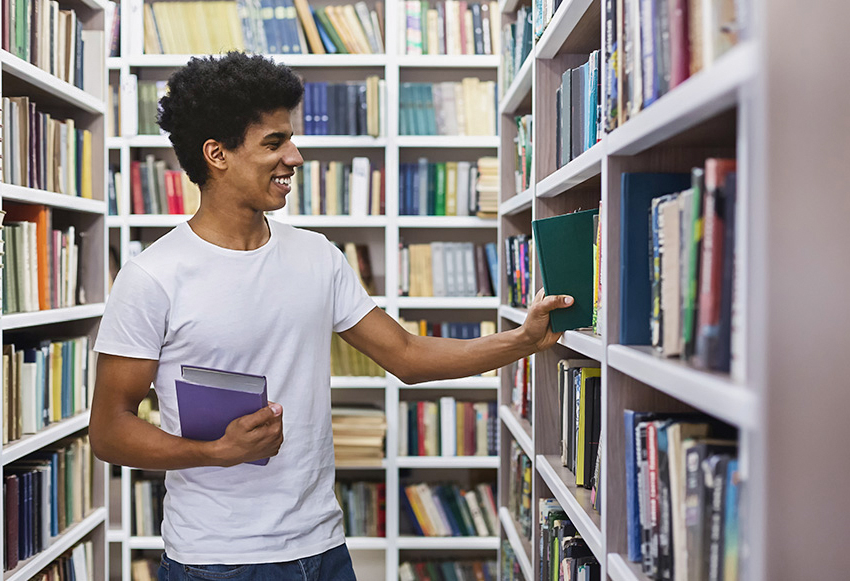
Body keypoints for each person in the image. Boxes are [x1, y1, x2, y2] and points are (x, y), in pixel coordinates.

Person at [89, 52, 574, 581]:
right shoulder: (152, 276)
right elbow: (109, 430)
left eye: (290, 139)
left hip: (323, 548)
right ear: (217, 154)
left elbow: (407, 356)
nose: (294, 157)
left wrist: (524, 340)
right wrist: (217, 450)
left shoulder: (317, 256)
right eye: (274, 143)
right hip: (218, 560)